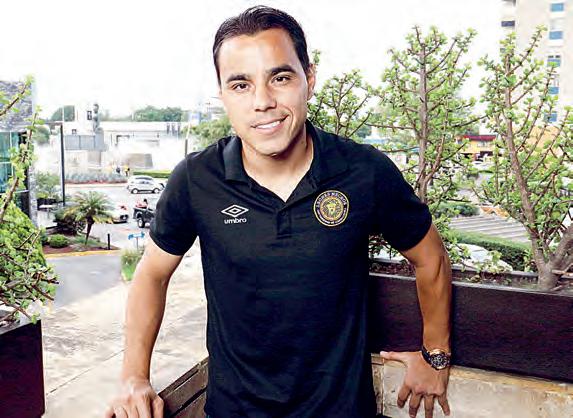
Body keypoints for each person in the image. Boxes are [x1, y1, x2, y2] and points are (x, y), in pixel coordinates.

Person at [105, 6, 452, 418]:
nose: (262, 102)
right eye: (240, 85)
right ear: (222, 95)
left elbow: (430, 258)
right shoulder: (196, 179)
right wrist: (134, 376)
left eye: (280, 78)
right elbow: (151, 274)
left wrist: (436, 355)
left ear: (310, 79)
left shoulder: (364, 171)